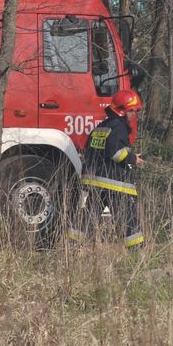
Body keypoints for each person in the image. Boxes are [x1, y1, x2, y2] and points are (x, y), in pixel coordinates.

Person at [68, 88, 146, 249]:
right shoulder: (119, 127)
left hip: (94, 180)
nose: (134, 114)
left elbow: (91, 150)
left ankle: (73, 246)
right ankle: (137, 250)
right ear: (123, 110)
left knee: (88, 216)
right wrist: (133, 158)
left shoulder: (102, 126)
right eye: (132, 110)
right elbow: (116, 152)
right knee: (126, 216)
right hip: (113, 182)